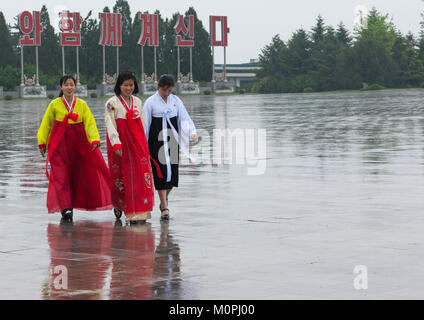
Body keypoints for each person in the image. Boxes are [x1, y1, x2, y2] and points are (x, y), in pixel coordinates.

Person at [37, 75, 113, 221]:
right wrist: (42, 142)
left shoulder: (82, 104)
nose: (69, 87)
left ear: (75, 87)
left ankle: (73, 204)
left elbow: (90, 123)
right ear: (61, 87)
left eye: (71, 85)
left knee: (79, 177)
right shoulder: (54, 104)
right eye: (66, 85)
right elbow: (46, 124)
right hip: (59, 146)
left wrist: (94, 139)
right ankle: (66, 209)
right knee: (60, 177)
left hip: (78, 146)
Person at [105, 71, 161, 224]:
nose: (128, 88)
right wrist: (116, 143)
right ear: (119, 86)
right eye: (125, 85)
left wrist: (144, 144)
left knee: (139, 177)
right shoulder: (112, 103)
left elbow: (142, 124)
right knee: (120, 178)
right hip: (120, 146)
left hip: (137, 145)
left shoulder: (137, 102)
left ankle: (138, 212)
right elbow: (110, 125)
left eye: (131, 85)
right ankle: (118, 204)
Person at [143, 75, 198, 221]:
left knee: (172, 174)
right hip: (156, 142)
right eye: (163, 89)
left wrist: (192, 132)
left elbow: (184, 118)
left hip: (172, 141)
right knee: (161, 172)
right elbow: (145, 124)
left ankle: (163, 201)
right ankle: (165, 208)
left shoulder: (175, 100)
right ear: (158, 86)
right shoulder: (150, 102)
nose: (166, 93)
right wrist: (143, 143)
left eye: (169, 89)